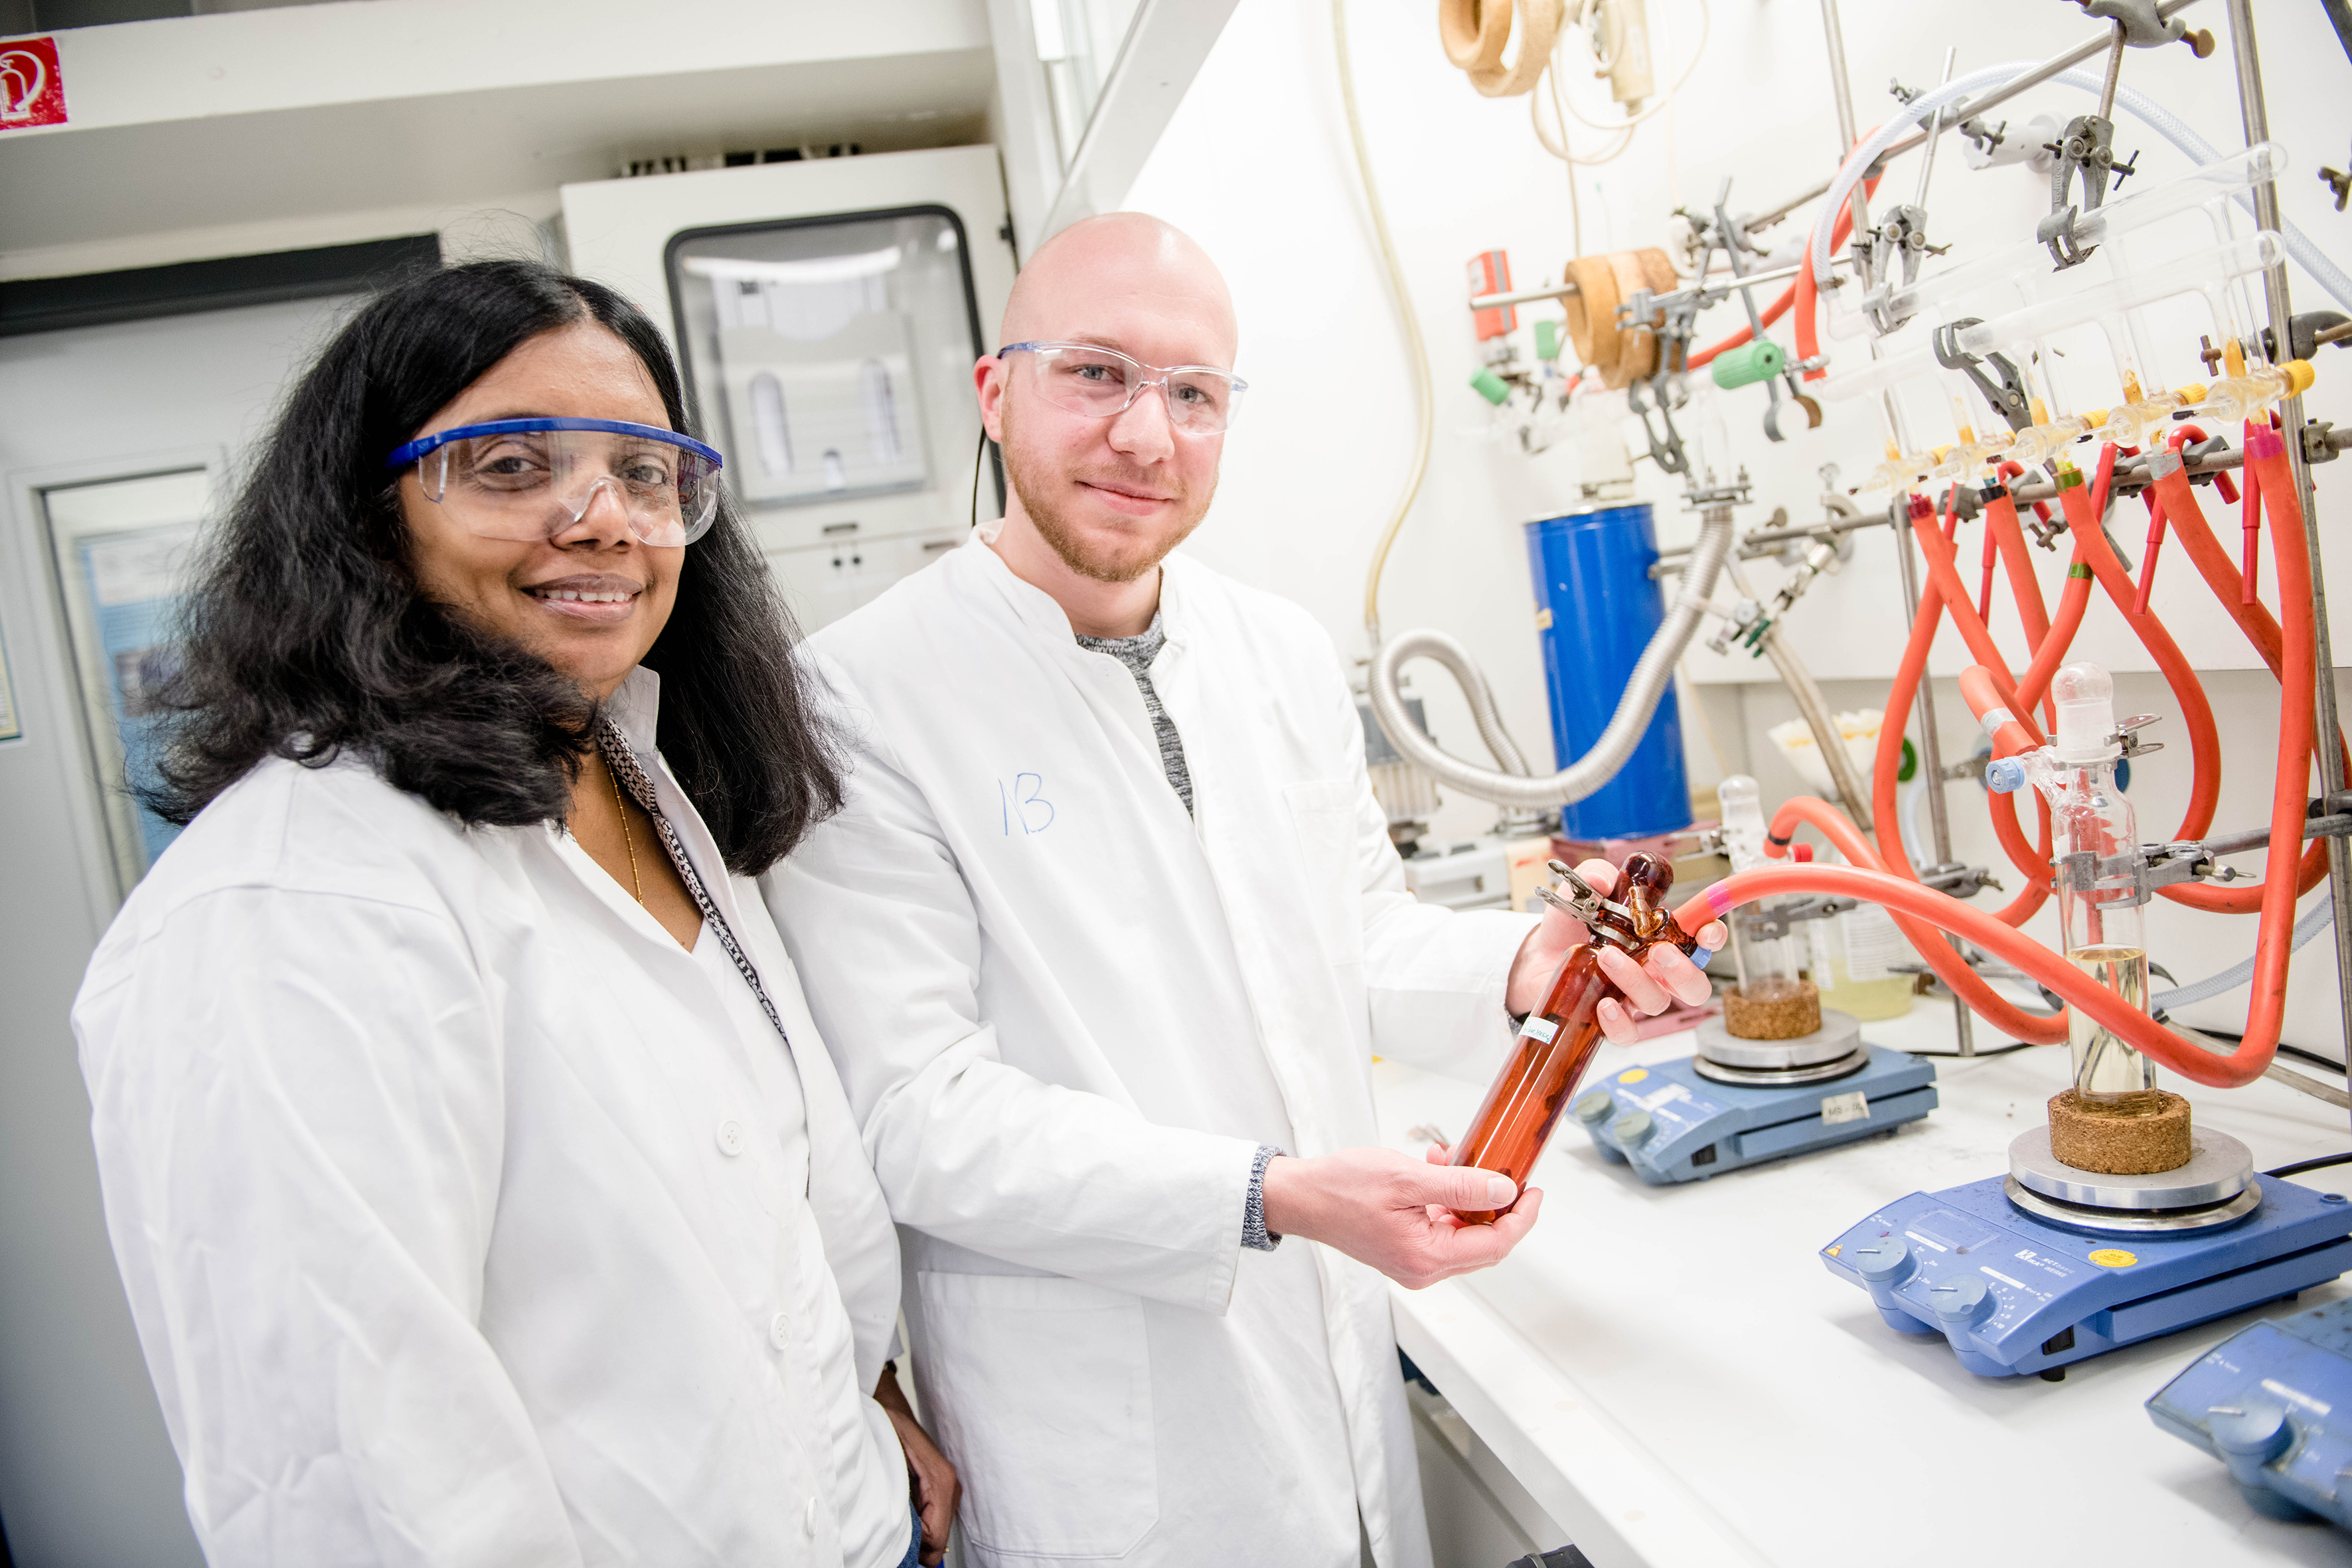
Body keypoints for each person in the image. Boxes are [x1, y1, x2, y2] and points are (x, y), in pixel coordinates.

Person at [763, 214, 1724, 1568]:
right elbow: (920, 1114)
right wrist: (1273, 1192)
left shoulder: (1269, 648)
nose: (1144, 435)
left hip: (1329, 1355)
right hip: (1100, 1434)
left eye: (1191, 392)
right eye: (1095, 373)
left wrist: (1532, 964)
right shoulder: (856, 696)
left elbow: (1352, 936)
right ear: (995, 393)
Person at [73, 260, 958, 1568]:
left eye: (645, 471)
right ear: (370, 518)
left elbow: (751, 1194)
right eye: (508, 465)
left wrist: (863, 1403)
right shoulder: (290, 900)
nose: (602, 518)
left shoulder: (640, 776)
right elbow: (353, 1464)